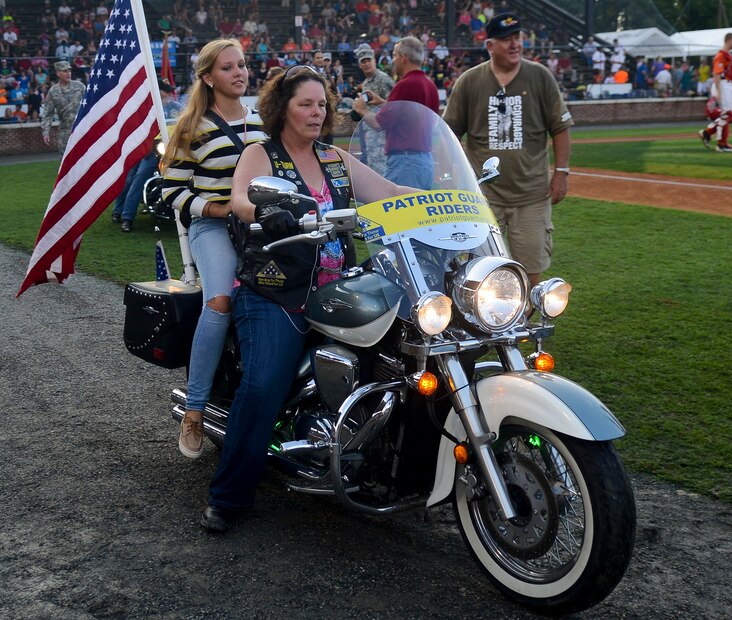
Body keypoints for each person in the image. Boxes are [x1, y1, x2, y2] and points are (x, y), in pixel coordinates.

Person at [200, 65, 411, 532]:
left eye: (322, 104)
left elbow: (391, 193)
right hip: (278, 291)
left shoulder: (334, 158)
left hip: (339, 289)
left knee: (408, 352)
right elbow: (239, 199)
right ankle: (228, 497)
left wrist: (453, 198)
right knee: (263, 387)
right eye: (305, 104)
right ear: (283, 109)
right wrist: (266, 212)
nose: (316, 113)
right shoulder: (262, 155)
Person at [161, 39, 267, 460]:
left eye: (242, 65)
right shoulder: (191, 127)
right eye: (228, 68)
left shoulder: (264, 122)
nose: (239, 72)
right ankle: (195, 409)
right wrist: (219, 208)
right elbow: (172, 191)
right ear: (208, 76)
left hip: (261, 228)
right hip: (213, 227)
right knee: (220, 300)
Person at [442, 12, 573, 288]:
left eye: (517, 38)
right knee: (479, 270)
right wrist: (456, 175)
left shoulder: (540, 76)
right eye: (505, 40)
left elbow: (560, 129)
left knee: (531, 268)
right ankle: (484, 325)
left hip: (532, 196)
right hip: (484, 199)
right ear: (490, 45)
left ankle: (522, 324)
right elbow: (449, 131)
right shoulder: (470, 81)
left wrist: (561, 172)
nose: (514, 44)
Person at [352, 36, 439, 188]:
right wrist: (383, 102)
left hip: (405, 163)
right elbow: (412, 117)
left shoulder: (404, 85)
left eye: (394, 55)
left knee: (397, 209)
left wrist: (361, 109)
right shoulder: (429, 85)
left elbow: (378, 124)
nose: (392, 60)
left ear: (404, 58)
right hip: (425, 161)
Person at [113, 81, 184, 231]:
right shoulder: (148, 108)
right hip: (152, 150)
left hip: (175, 150)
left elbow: (187, 124)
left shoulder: (177, 108)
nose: (169, 94)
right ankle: (127, 217)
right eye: (165, 91)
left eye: (169, 91)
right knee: (139, 177)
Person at [352, 46, 394, 172]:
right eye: (363, 61)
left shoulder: (383, 79)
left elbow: (396, 106)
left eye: (368, 60)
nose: (366, 64)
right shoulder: (365, 83)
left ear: (374, 61)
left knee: (382, 171)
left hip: (382, 135)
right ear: (359, 65)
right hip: (370, 134)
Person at [698, 33, 732, 153]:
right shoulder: (720, 56)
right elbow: (716, 74)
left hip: (729, 85)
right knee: (726, 115)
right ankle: (721, 144)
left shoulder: (728, 55)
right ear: (729, 40)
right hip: (723, 85)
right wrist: (719, 92)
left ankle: (708, 132)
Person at [40, 60, 85, 155]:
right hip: (65, 131)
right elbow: (48, 113)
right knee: (65, 161)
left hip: (82, 129)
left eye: (69, 71)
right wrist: (45, 132)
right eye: (65, 71)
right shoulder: (53, 91)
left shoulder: (80, 86)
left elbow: (91, 105)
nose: (68, 73)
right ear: (58, 73)